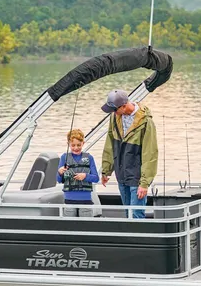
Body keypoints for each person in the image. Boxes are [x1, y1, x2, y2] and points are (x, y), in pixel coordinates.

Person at [100, 89, 158, 219]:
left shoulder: (146, 122)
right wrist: (106, 170)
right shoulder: (114, 118)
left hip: (137, 176)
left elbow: (150, 154)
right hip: (121, 174)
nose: (113, 113)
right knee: (127, 213)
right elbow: (110, 144)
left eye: (114, 110)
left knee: (136, 214)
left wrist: (144, 183)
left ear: (124, 106)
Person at [57, 128, 99, 217]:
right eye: (73, 145)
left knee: (85, 224)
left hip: (86, 200)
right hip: (69, 199)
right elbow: (59, 180)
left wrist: (85, 176)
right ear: (68, 144)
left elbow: (96, 178)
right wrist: (60, 172)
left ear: (83, 143)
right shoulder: (64, 157)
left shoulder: (89, 158)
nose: (76, 148)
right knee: (70, 224)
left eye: (79, 145)